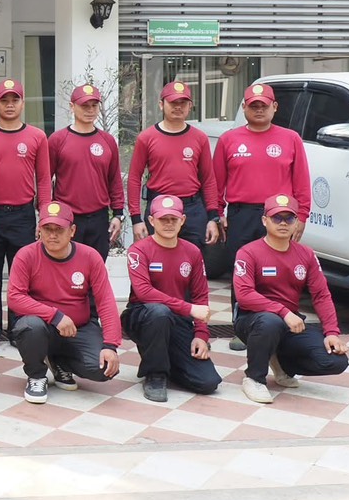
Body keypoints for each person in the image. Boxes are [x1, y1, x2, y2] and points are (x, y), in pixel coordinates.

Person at [215, 81, 311, 349]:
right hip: (241, 214)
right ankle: (242, 328)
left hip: (280, 216)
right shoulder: (228, 140)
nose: (259, 109)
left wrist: (302, 215)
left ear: (274, 107)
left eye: (264, 105)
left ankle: (280, 325)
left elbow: (302, 181)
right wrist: (217, 212)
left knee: (280, 271)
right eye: (253, 105)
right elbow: (216, 182)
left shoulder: (290, 138)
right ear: (244, 107)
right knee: (242, 270)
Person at [232, 193, 349, 404]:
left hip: (289, 323)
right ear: (264, 220)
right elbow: (244, 295)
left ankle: (281, 362)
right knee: (270, 322)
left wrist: (332, 332)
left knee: (336, 361)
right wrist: (283, 312)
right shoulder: (248, 252)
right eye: (277, 218)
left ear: (296, 222)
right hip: (252, 321)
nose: (283, 223)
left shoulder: (306, 254)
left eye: (289, 218)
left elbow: (321, 295)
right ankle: (254, 378)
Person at [6, 201, 122, 404]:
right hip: (43, 326)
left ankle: (60, 362)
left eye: (59, 229)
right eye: (47, 229)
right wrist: (55, 316)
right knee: (30, 326)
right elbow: (15, 297)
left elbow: (105, 301)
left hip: (80, 328)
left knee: (104, 369)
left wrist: (110, 345)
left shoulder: (90, 257)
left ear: (72, 231)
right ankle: (36, 375)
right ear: (39, 230)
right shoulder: (26, 255)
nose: (52, 235)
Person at [121, 195, 220, 403]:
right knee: (160, 312)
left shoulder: (192, 251)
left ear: (182, 220)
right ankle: (155, 374)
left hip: (178, 319)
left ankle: (167, 362)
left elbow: (200, 295)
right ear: (151, 220)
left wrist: (201, 334)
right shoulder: (139, 250)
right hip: (143, 316)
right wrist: (189, 309)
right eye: (163, 219)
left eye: (173, 219)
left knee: (207, 382)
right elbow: (144, 292)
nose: (168, 224)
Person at [0, 78, 51, 338]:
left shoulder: (37, 136)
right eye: (4, 100)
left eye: (15, 100)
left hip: (23, 215)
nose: (9, 105)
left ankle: (21, 329)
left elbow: (44, 179)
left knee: (22, 278)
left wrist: (44, 216)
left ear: (22, 103)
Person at [127, 79, 220, 253]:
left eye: (183, 103)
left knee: (194, 260)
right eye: (173, 102)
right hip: (159, 207)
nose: (178, 107)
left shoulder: (199, 138)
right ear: (161, 105)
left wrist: (213, 217)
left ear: (190, 106)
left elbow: (208, 179)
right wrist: (136, 219)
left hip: (192, 209)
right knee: (158, 259)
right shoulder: (146, 138)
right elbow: (134, 178)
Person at [48, 83, 123, 259]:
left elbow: (114, 179)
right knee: (66, 267)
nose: (90, 110)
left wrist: (118, 214)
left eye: (94, 105)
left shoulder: (107, 140)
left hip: (99, 218)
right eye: (84, 106)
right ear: (72, 106)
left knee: (96, 267)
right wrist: (46, 212)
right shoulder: (58, 140)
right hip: (67, 217)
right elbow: (45, 179)